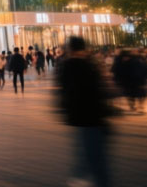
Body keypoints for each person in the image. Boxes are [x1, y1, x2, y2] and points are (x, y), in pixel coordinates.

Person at [58, 36, 112, 187]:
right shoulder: (89, 65)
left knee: (88, 153)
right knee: (95, 157)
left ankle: (79, 177)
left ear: (70, 48)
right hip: (94, 115)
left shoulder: (67, 65)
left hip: (79, 116)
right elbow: (100, 89)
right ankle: (86, 178)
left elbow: (64, 91)